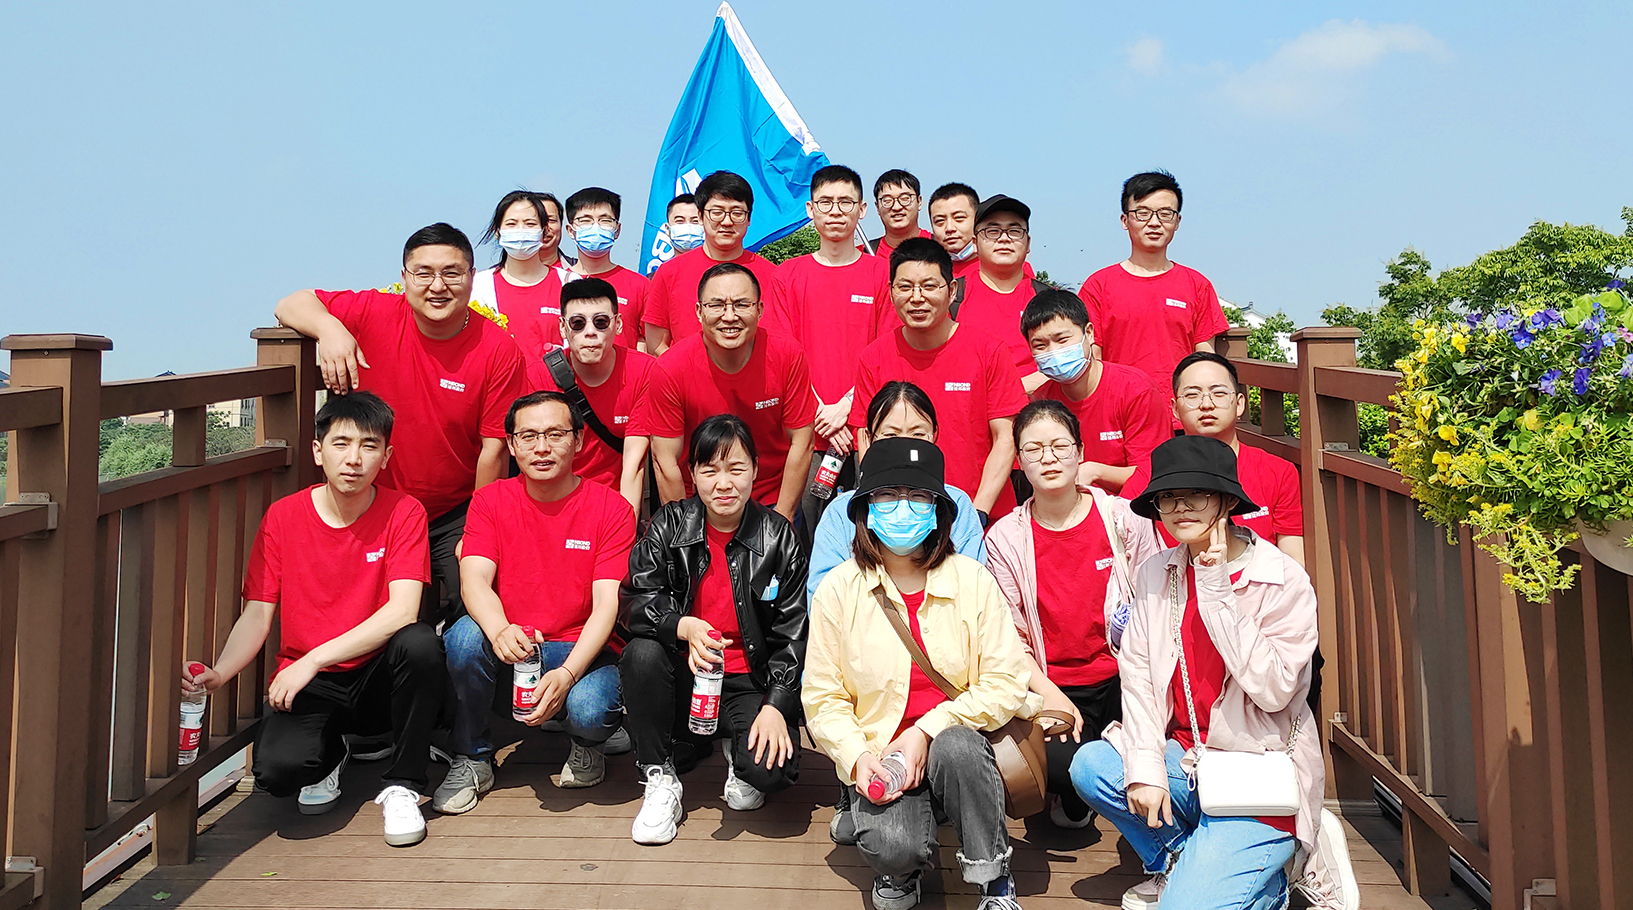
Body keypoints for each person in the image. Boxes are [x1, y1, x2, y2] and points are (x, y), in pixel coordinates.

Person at [1068, 435, 1358, 910]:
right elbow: (1139, 680)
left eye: (1196, 495)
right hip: (1187, 760)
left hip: (1256, 774)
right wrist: (1145, 772)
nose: (1180, 507)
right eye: (1167, 497)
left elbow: (1274, 691)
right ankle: (1180, 860)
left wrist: (1217, 589)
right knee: (1093, 766)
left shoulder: (1282, 579)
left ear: (1226, 501)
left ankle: (1274, 876)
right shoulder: (1156, 572)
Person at [182, 392, 445, 847]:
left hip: (377, 674)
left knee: (420, 643)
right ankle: (333, 751)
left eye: (368, 446)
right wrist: (220, 673)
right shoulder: (284, 517)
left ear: (386, 457)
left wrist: (312, 659)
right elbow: (258, 612)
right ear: (318, 452)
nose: (354, 459)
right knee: (277, 774)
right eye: (341, 444)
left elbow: (403, 610)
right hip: (314, 682)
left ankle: (403, 784)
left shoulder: (404, 511)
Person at [804, 437, 1035, 910]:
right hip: (881, 751)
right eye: (888, 496)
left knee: (956, 745)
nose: (902, 508)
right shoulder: (838, 590)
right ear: (864, 509)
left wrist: (925, 731)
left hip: (960, 745)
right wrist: (856, 758)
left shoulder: (972, 579)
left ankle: (992, 875)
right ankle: (902, 867)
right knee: (893, 847)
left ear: (940, 511)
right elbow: (823, 698)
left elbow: (1006, 680)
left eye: (918, 497)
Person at [273, 223, 529, 627]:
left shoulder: (498, 349)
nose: (437, 286)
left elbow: (493, 451)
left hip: (454, 511)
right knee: (371, 616)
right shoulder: (374, 312)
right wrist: (330, 329)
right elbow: (291, 303)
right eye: (423, 273)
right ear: (404, 277)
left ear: (471, 277)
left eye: (451, 273)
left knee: (477, 607)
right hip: (374, 504)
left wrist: (477, 531)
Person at [433, 391, 635, 814]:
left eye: (555, 434)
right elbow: (473, 579)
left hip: (579, 648)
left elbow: (607, 605)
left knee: (589, 711)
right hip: (513, 642)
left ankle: (586, 743)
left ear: (578, 440)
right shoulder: (490, 501)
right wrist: (499, 630)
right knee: (464, 638)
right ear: (511, 445)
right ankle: (473, 756)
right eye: (528, 436)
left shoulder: (611, 508)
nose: (542, 447)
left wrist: (567, 674)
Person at [620, 415, 809, 846]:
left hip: (748, 678)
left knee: (770, 772)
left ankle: (738, 752)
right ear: (692, 474)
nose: (723, 484)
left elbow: (793, 632)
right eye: (710, 470)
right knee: (641, 654)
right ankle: (659, 775)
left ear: (756, 470)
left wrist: (777, 704)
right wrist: (680, 625)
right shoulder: (668, 525)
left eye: (736, 469)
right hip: (684, 675)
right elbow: (633, 601)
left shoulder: (779, 537)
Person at [984, 401, 1160, 831]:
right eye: (1033, 449)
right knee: (1063, 769)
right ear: (1019, 461)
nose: (1048, 458)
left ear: (1080, 452)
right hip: (1052, 681)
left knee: (1144, 752)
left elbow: (1156, 606)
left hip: (1125, 676)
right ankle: (1078, 791)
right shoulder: (1004, 538)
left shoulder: (1124, 519)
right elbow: (1009, 637)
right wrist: (1050, 695)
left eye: (1060, 446)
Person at [849, 238, 1027, 524]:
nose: (917, 297)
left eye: (929, 286)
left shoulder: (989, 351)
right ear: (891, 292)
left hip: (982, 518)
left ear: (952, 290)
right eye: (905, 287)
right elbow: (866, 439)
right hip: (905, 521)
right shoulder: (874, 358)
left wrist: (976, 513)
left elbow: (1006, 438)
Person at [772, 164, 894, 526]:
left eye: (846, 202)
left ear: (862, 209)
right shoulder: (787, 275)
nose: (836, 211)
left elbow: (889, 350)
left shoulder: (883, 274)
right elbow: (782, 355)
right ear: (810, 210)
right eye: (825, 202)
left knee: (870, 532)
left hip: (867, 431)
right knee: (805, 535)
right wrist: (822, 414)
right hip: (807, 435)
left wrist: (847, 409)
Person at [649, 262, 817, 525]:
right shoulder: (670, 368)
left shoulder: (787, 355)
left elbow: (803, 441)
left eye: (741, 304)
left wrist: (782, 520)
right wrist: (685, 529)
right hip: (699, 502)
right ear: (699, 311)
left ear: (759, 310)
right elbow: (664, 460)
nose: (729, 316)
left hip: (770, 499)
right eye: (716, 305)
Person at [1121, 353, 1304, 566]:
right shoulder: (1148, 477)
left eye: (1219, 393)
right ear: (1175, 409)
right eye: (1192, 395)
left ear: (1239, 404)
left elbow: (1292, 560)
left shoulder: (1277, 472)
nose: (1206, 404)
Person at [1077, 170, 1229, 402]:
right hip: (1119, 410)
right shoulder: (1098, 286)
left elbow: (1205, 358)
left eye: (1166, 214)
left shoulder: (1197, 285)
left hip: (1181, 412)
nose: (1155, 223)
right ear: (1125, 220)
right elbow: (1092, 359)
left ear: (1177, 222)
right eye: (1143, 213)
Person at [525, 278, 659, 510]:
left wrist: (625, 528)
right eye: (577, 323)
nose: (590, 333)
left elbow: (634, 466)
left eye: (601, 322)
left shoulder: (644, 371)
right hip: (553, 502)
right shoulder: (537, 377)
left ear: (618, 324)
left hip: (613, 503)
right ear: (562, 327)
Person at [1023, 290, 1168, 494]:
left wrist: (1095, 472)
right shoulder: (1040, 402)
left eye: (1062, 339)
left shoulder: (1135, 390)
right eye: (1040, 345)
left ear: (1089, 333)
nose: (1053, 352)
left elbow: (1154, 471)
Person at [645, 171, 782, 355]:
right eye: (717, 213)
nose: (727, 221)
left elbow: (778, 342)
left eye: (737, 213)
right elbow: (656, 344)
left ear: (749, 219)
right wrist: (684, 370)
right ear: (701, 216)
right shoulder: (669, 272)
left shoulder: (774, 275)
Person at [472, 190, 576, 360]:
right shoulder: (478, 286)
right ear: (498, 231)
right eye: (511, 224)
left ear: (543, 231)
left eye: (530, 224)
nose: (520, 231)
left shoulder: (569, 282)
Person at [954, 194, 1047, 386]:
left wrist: (1012, 391)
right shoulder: (951, 296)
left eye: (1014, 231)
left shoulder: (1047, 299)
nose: (1004, 238)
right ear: (974, 243)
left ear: (1028, 243)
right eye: (992, 231)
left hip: (1037, 402)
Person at [562, 186, 651, 352]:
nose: (595, 227)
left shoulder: (640, 285)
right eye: (585, 220)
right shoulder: (557, 281)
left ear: (617, 230)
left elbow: (648, 342)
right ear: (570, 230)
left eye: (605, 220)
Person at [864, 168, 932, 260]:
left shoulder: (942, 247)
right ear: (877, 207)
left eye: (905, 198)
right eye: (887, 200)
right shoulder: (865, 253)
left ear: (919, 202)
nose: (897, 207)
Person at [927, 182, 982, 278]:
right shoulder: (926, 271)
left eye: (959, 218)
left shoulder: (997, 266)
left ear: (978, 220)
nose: (949, 228)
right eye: (940, 221)